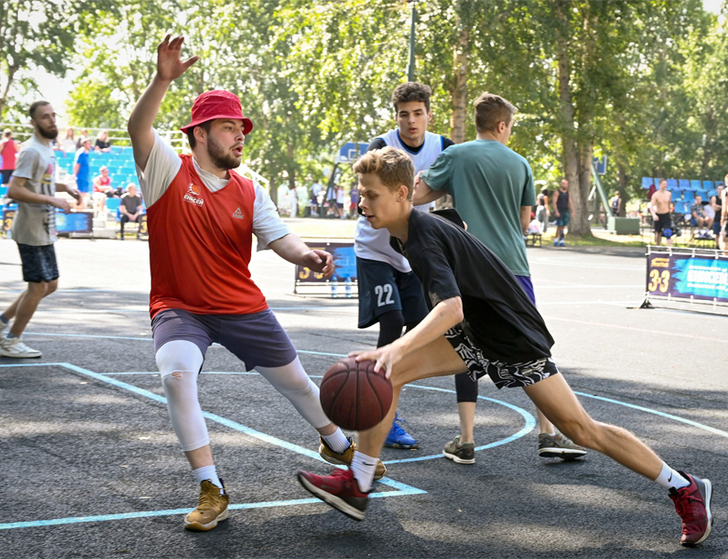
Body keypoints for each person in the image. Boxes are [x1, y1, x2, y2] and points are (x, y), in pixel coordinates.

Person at [297, 147, 714, 547]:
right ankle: (359, 483)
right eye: (360, 193)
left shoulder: (420, 237)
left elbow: (452, 308)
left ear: (402, 193)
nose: (361, 203)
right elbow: (460, 251)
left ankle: (685, 487)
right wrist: (397, 353)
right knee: (387, 375)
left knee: (580, 429)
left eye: (371, 195)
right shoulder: (407, 233)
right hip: (480, 332)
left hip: (509, 336)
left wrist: (396, 345)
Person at [126, 35, 380, 532]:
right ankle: (212, 488)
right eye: (228, 127)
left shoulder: (250, 187)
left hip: (241, 307)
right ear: (199, 133)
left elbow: (279, 238)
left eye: (242, 128)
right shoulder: (164, 171)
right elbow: (138, 126)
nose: (240, 136)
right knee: (175, 374)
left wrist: (307, 254)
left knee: (300, 387)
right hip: (181, 307)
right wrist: (162, 80)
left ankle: (337, 444)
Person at [413, 92, 584, 464]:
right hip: (512, 267)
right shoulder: (521, 164)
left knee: (465, 349)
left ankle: (467, 439)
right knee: (532, 350)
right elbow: (525, 221)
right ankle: (548, 433)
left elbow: (417, 195)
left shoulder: (456, 156)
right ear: (502, 125)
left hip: (468, 267)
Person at [355, 82, 455, 450]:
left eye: (417, 113)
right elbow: (363, 196)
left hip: (412, 253)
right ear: (395, 116)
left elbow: (457, 190)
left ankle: (386, 401)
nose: (411, 121)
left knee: (420, 328)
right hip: (375, 251)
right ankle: (383, 416)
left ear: (429, 114)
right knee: (392, 322)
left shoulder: (445, 148)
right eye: (403, 114)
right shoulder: (381, 146)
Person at [0, 101, 82, 358]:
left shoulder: (46, 148)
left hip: (44, 228)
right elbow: (14, 189)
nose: (51, 121)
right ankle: (12, 340)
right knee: (38, 286)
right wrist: (52, 199)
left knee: (50, 285)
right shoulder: (31, 151)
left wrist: (64, 188)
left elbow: (40, 183)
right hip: (30, 229)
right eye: (45, 117)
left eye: (53, 115)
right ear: (33, 122)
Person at [649, 179, 673, 247]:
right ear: (659, 185)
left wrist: (670, 214)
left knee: (668, 232)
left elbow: (669, 204)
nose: (665, 185)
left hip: (666, 214)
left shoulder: (668, 194)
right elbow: (651, 206)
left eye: (666, 184)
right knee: (658, 232)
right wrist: (654, 215)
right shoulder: (655, 195)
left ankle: (668, 248)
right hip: (659, 215)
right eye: (663, 184)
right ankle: (658, 246)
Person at [552, 179, 572, 246]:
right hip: (559, 210)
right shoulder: (557, 192)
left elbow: (570, 202)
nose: (565, 185)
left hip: (565, 210)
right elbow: (554, 202)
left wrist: (572, 211)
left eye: (566, 184)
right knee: (559, 226)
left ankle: (562, 240)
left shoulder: (568, 193)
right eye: (564, 184)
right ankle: (555, 239)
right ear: (561, 184)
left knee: (563, 226)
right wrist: (556, 211)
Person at [73, 138, 91, 209]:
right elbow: (77, 164)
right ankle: (77, 209)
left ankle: (80, 209)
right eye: (88, 143)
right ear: (84, 144)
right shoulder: (81, 153)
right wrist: (75, 174)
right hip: (81, 176)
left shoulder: (87, 153)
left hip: (85, 177)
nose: (90, 145)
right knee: (79, 195)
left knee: (83, 195)